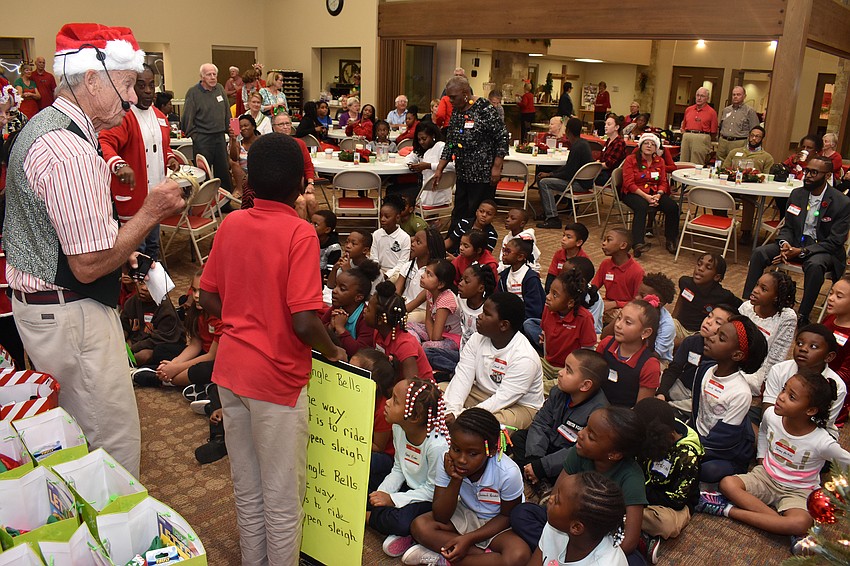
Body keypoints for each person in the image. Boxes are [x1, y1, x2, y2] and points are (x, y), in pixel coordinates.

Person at [4, 23, 186, 477]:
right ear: (91, 79)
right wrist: (149, 213)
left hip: (46, 307)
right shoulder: (71, 151)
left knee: (75, 431)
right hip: (72, 312)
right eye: (126, 84)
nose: (132, 97)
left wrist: (117, 239)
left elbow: (61, 225)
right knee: (110, 442)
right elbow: (87, 265)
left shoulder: (45, 126)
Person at [198, 133, 347, 566]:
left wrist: (243, 317)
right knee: (282, 497)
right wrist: (333, 351)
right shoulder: (300, 233)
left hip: (231, 370)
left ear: (250, 182)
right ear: (301, 183)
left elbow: (207, 296)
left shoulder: (232, 223)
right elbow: (304, 321)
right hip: (276, 381)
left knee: (247, 486)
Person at [698, 372, 850, 556]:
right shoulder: (772, 415)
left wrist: (838, 492)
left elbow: (846, 462)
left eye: (791, 397)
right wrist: (762, 455)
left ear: (810, 410)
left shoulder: (822, 441)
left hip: (799, 490)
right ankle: (787, 528)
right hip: (766, 476)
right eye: (784, 389)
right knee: (727, 484)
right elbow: (763, 430)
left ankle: (727, 510)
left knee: (801, 522)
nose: (781, 397)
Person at [510, 407, 651, 563]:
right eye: (585, 427)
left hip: (602, 537)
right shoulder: (579, 452)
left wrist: (597, 558)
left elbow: (629, 540)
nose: (581, 434)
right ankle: (558, 551)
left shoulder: (632, 477)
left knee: (635, 562)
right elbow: (556, 496)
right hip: (567, 517)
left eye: (591, 436)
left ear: (614, 454)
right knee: (521, 514)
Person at [404, 408, 531, 566]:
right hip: (466, 512)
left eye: (472, 454)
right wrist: (455, 479)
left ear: (491, 450)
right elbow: (441, 516)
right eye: (456, 449)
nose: (461, 460)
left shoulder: (508, 472)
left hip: (497, 523)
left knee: (519, 555)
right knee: (420, 526)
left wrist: (468, 539)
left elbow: (506, 517)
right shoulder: (447, 460)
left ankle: (446, 557)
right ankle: (484, 558)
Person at [743, 155, 850, 326]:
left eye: (814, 172)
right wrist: (784, 244)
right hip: (794, 244)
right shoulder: (797, 194)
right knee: (759, 253)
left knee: (815, 265)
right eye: (807, 171)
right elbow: (788, 228)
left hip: (823, 249)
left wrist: (803, 251)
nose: (808, 176)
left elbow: (835, 241)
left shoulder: (841, 202)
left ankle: (803, 315)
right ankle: (748, 303)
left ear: (827, 175)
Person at [100, 64, 179, 261]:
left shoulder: (160, 116)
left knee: (153, 246)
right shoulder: (123, 116)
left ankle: (153, 280)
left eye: (151, 85)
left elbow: (163, 146)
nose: (148, 91)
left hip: (156, 197)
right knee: (137, 252)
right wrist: (119, 165)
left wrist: (170, 158)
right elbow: (104, 143)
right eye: (141, 85)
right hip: (134, 200)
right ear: (131, 87)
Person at [369, 378, 450, 558]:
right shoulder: (398, 427)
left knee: (401, 522)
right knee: (368, 481)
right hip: (408, 485)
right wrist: (383, 493)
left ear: (414, 417)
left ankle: (366, 517)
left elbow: (432, 491)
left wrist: (393, 499)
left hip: (428, 497)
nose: (387, 403)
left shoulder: (437, 446)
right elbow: (398, 468)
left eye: (395, 401)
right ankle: (386, 521)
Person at [510, 349, 609, 492]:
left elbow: (580, 450)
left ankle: (537, 480)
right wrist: (535, 460)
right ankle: (538, 480)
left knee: (580, 471)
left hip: (569, 456)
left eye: (568, 370)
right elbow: (541, 423)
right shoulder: (558, 392)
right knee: (519, 438)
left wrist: (543, 466)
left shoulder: (598, 413)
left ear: (585, 385)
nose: (560, 373)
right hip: (548, 444)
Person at [443, 293, 544, 428]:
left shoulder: (525, 357)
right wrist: (451, 410)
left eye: (486, 314)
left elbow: (503, 398)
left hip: (518, 406)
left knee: (484, 426)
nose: (480, 316)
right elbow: (463, 377)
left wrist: (461, 416)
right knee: (437, 395)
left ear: (504, 325)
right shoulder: (476, 339)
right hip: (481, 394)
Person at [691, 316, 767, 482]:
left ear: (737, 355)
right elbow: (696, 412)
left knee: (707, 470)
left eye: (721, 338)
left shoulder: (740, 393)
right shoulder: (705, 369)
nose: (711, 338)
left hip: (725, 452)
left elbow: (724, 440)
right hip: (698, 437)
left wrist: (691, 447)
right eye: (716, 333)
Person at [434, 76, 508, 232]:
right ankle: (455, 242)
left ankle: (476, 243)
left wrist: (496, 167)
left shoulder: (484, 108)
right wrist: (440, 168)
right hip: (463, 172)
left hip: (483, 173)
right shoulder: (457, 111)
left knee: (478, 215)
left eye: (453, 97)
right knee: (459, 212)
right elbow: (451, 142)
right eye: (449, 97)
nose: (450, 101)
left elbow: (502, 137)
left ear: (465, 93)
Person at [634, 398, 704, 563]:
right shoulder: (651, 431)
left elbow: (677, 500)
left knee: (665, 524)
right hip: (641, 488)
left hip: (670, 504)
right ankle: (632, 522)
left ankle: (632, 525)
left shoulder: (687, 455)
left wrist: (635, 495)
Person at [762, 324, 847, 437]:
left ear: (829, 357)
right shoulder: (779, 369)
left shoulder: (837, 386)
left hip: (813, 432)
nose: (803, 349)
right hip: (777, 421)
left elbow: (823, 422)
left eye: (813, 346)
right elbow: (769, 408)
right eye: (799, 343)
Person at [527, 471, 628, 566]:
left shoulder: (607, 563)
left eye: (557, 501)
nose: (551, 498)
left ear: (576, 527)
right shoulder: (556, 527)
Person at [656, 305, 738, 420]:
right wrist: (661, 393)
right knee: (656, 377)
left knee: (703, 406)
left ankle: (672, 409)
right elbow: (674, 369)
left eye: (718, 322)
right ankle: (671, 408)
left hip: (703, 396)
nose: (709, 322)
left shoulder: (723, 354)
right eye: (709, 316)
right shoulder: (691, 341)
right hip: (681, 387)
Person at [739, 271, 798, 398]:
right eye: (757, 285)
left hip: (760, 367)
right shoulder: (746, 308)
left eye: (763, 289)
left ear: (776, 297)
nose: (755, 290)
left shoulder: (787, 317)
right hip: (737, 358)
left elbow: (778, 353)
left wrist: (767, 381)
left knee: (740, 383)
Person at [597, 297, 663, 408]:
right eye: (619, 318)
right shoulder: (606, 344)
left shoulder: (649, 365)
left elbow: (641, 408)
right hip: (595, 404)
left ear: (645, 332)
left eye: (628, 322)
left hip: (623, 414)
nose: (618, 325)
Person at [364, 281, 435, 383]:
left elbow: (411, 384)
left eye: (368, 309)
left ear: (380, 319)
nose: (364, 311)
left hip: (418, 388)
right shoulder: (378, 333)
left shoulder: (405, 345)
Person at [621, 132, 679, 256]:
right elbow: (629, 183)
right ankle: (638, 244)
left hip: (654, 193)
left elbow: (663, 182)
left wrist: (659, 194)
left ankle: (671, 240)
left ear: (656, 148)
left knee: (672, 207)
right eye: (646, 143)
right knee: (642, 206)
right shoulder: (631, 160)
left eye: (652, 144)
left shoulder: (659, 161)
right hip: (633, 192)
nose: (649, 146)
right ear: (640, 145)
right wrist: (646, 197)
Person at [181, 63, 234, 192]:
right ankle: (202, 200)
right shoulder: (193, 93)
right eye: (209, 75)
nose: (212, 77)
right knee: (203, 173)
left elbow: (227, 111)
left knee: (223, 171)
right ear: (202, 77)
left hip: (220, 137)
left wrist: (230, 129)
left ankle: (225, 200)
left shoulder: (220, 89)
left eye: (214, 74)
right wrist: (195, 136)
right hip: (202, 138)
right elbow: (187, 117)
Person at [535, 117, 594, 230]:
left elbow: (568, 173)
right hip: (585, 181)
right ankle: (548, 210)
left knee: (543, 182)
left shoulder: (576, 147)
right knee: (543, 178)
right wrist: (551, 173)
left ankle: (552, 217)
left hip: (578, 184)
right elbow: (569, 168)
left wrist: (550, 174)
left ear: (567, 131)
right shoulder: (583, 143)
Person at [721, 126, 775, 245]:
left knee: (749, 200)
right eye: (752, 135)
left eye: (757, 137)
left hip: (752, 189)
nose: (754, 138)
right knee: (718, 194)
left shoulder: (766, 157)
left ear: (762, 139)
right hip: (732, 185)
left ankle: (746, 232)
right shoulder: (735, 152)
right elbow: (724, 169)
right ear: (748, 136)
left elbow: (767, 177)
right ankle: (722, 222)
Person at [671, 253, 742, 342]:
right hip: (680, 326)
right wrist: (672, 319)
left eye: (708, 267)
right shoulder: (685, 282)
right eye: (699, 264)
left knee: (689, 341)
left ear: (716, 277)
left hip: (701, 332)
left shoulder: (723, 295)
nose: (700, 268)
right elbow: (681, 300)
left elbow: (742, 308)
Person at [322, 260, 380, 359]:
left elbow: (360, 353)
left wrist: (341, 329)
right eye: (335, 286)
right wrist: (330, 327)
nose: (334, 291)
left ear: (358, 297)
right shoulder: (337, 307)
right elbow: (318, 333)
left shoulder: (365, 317)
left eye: (342, 289)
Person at [121, 278, 183, 367]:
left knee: (143, 356)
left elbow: (162, 339)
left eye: (150, 284)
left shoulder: (165, 309)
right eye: (141, 283)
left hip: (162, 344)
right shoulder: (130, 303)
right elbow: (124, 327)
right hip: (137, 341)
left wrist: (135, 347)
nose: (144, 288)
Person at [271, 112, 319, 219]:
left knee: (311, 200)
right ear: (274, 127)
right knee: (301, 202)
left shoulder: (299, 144)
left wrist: (310, 183)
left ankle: (317, 228)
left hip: (299, 186)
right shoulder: (270, 145)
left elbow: (308, 166)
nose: (285, 127)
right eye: (281, 124)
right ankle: (299, 229)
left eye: (287, 123)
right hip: (279, 189)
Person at [593, 228, 645, 324]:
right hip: (607, 305)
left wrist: (615, 304)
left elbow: (638, 302)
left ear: (623, 245)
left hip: (627, 308)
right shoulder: (605, 264)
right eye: (604, 240)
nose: (603, 243)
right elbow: (594, 287)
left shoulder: (637, 271)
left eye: (609, 240)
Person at [496, 237, 544, 320]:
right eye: (504, 250)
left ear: (520, 257)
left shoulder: (530, 279)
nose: (503, 254)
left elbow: (534, 310)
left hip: (526, 319)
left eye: (507, 251)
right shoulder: (504, 276)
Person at [824, 276, 850, 423]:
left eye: (839, 296)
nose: (831, 298)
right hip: (816, 373)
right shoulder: (829, 319)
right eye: (831, 293)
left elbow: (846, 373)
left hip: (835, 387)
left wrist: (820, 381)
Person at [717, 86, 761, 160]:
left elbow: (755, 130)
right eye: (734, 94)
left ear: (744, 96)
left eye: (738, 94)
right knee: (719, 162)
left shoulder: (749, 111)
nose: (735, 96)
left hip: (739, 142)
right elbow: (721, 126)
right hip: (723, 141)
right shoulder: (726, 110)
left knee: (736, 162)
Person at [544, 222, 589, 292]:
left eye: (568, 237)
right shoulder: (558, 254)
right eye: (563, 235)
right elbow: (551, 276)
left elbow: (581, 286)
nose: (563, 239)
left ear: (579, 242)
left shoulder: (584, 260)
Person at [679, 87, 718, 165]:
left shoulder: (712, 112)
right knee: (683, 162)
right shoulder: (688, 109)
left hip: (701, 138)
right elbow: (683, 126)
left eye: (702, 96)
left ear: (707, 98)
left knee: (696, 164)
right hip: (687, 136)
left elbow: (714, 132)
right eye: (697, 95)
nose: (699, 98)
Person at [230, 114, 260, 203]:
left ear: (253, 127)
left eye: (246, 125)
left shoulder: (261, 141)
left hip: (257, 172)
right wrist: (233, 140)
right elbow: (234, 158)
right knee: (233, 163)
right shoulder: (239, 143)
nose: (243, 128)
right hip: (242, 175)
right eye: (240, 127)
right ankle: (240, 190)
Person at [598, 114, 628, 186]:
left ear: (616, 127)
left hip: (609, 175)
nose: (605, 126)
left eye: (609, 124)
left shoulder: (619, 143)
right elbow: (601, 158)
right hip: (602, 170)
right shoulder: (608, 140)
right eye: (605, 124)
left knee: (585, 177)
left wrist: (595, 166)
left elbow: (609, 164)